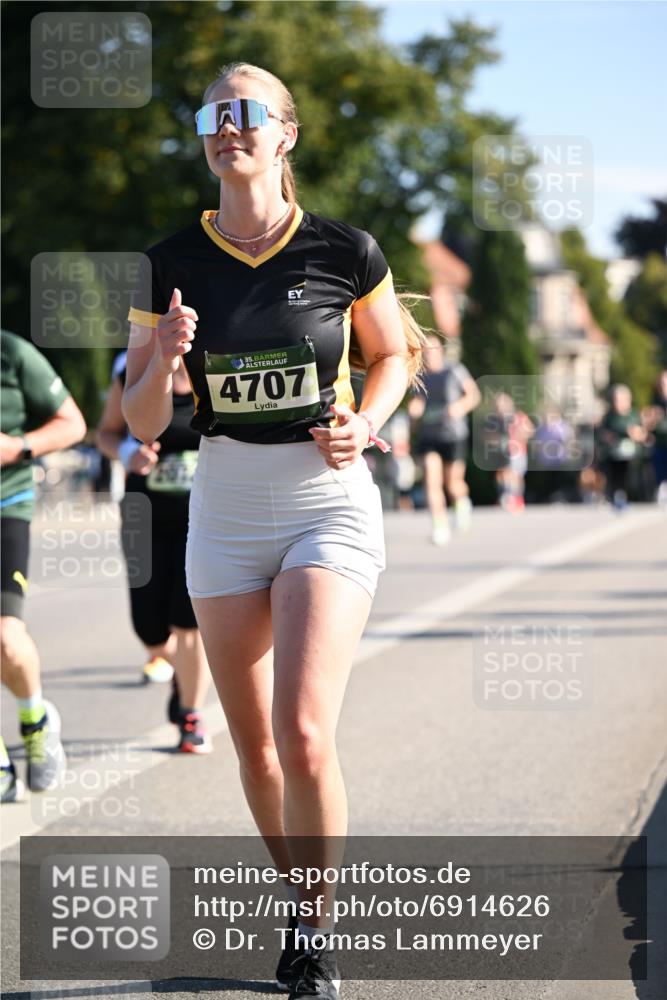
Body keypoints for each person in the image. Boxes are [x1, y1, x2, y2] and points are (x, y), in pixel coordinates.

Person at [121, 63, 424, 1000]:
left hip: (324, 504)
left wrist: (366, 422)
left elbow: (391, 355)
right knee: (253, 750)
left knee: (300, 731)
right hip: (224, 507)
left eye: (247, 112)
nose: (228, 127)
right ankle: (297, 902)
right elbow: (136, 420)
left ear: (284, 134)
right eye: (214, 113)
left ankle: (316, 930)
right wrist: (163, 363)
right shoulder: (169, 262)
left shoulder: (343, 248)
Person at [97, 353, 213, 753]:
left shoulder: (212, 362)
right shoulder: (129, 367)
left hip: (202, 520)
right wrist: (128, 454)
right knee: (149, 628)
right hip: (141, 518)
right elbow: (107, 433)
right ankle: (185, 674)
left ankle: (192, 715)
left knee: (188, 625)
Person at [0, 330, 86, 802]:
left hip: (5, 506)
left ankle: (35, 719)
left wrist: (17, 448)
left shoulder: (12, 354)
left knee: (6, 638)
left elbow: (72, 423)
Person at [408, 335, 480, 543]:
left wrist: (460, 407)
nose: (428, 355)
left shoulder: (454, 370)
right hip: (429, 435)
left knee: (453, 482)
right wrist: (414, 413)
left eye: (431, 350)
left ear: (439, 351)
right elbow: (418, 402)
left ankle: (462, 502)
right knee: (431, 479)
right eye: (425, 351)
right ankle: (440, 526)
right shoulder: (420, 377)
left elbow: (473, 395)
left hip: (453, 434)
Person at [483, 392, 534, 512]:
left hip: (517, 452)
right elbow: (486, 436)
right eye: (497, 405)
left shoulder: (518, 416)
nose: (499, 408)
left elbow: (529, 431)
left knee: (515, 475)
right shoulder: (494, 420)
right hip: (501, 452)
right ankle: (506, 496)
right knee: (501, 475)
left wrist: (518, 435)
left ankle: (516, 498)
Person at [598, 383, 647, 509]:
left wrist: (637, 434)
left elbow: (642, 434)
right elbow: (603, 433)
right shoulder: (609, 417)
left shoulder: (634, 415)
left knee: (631, 476)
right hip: (614, 455)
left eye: (620, 400)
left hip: (632, 456)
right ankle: (616, 497)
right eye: (615, 400)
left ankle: (635, 496)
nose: (617, 403)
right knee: (614, 475)